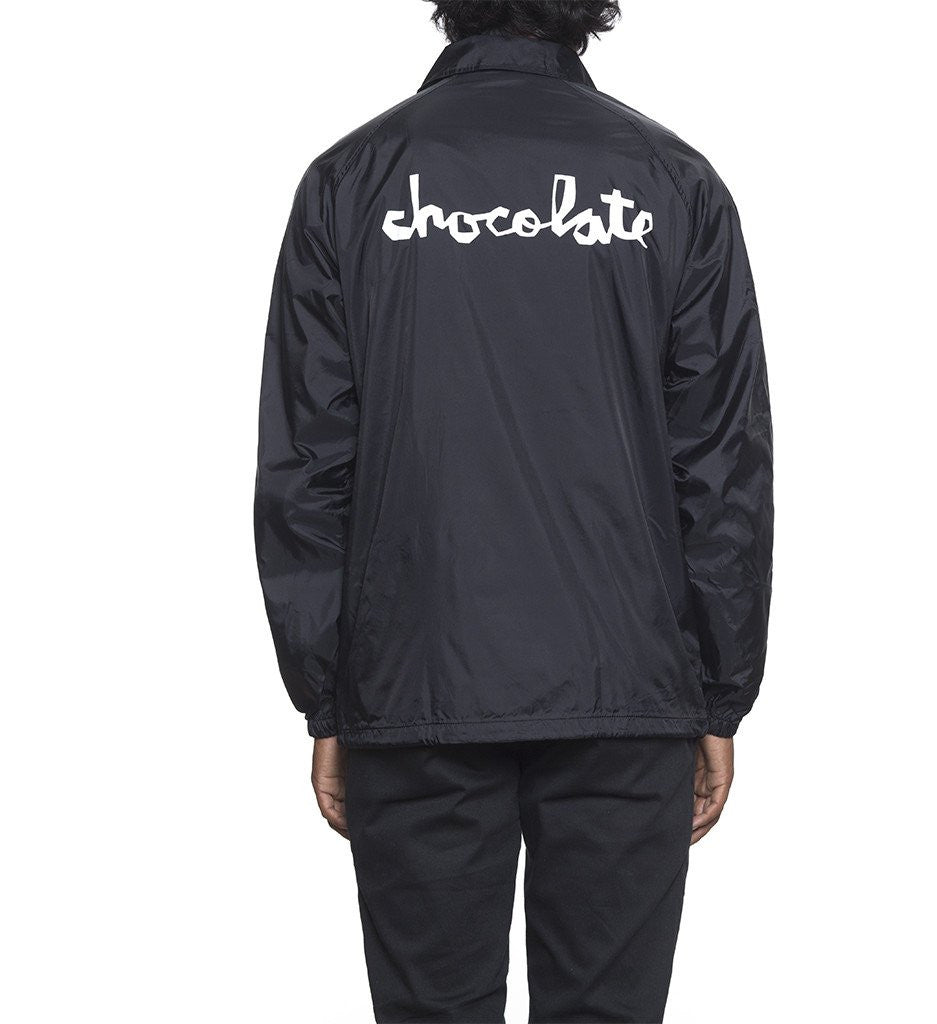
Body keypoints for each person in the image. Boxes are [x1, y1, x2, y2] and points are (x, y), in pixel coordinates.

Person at [254, 2, 773, 1020]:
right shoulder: (673, 182)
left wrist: (328, 695)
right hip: (628, 691)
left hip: (414, 688)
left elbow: (309, 462)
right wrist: (718, 694)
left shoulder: (351, 181)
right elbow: (721, 464)